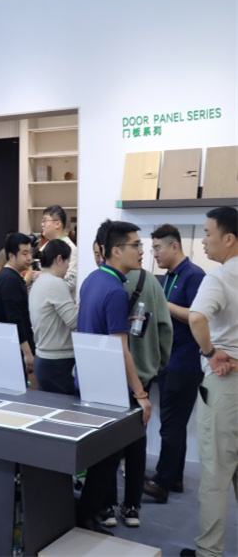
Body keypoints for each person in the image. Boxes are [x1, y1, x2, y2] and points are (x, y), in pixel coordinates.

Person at [75, 220, 152, 534]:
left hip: (88, 381)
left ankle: (89, 515)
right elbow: (122, 350)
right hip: (109, 387)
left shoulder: (92, 280)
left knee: (99, 457)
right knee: (107, 460)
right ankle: (83, 518)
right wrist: (141, 395)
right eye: (136, 245)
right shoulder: (117, 291)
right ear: (116, 251)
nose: (141, 251)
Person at [180, 206, 238, 557]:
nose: (203, 241)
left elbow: (197, 318)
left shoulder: (219, 278)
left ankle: (208, 553)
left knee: (216, 474)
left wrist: (210, 352)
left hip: (225, 383)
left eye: (207, 233)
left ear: (228, 239)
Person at [101, 246, 172, 528]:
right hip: (142, 373)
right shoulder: (151, 281)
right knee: (136, 443)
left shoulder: (101, 281)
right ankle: (131, 507)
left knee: (106, 444)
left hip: (109, 375)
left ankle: (106, 506)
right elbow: (165, 327)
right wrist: (158, 362)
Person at [144, 224, 206, 503]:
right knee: (173, 424)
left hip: (185, 362)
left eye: (158, 248)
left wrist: (162, 304)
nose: (154, 253)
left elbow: (196, 315)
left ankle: (162, 482)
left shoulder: (194, 275)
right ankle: (175, 478)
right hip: (168, 360)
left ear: (175, 246)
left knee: (170, 426)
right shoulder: (167, 277)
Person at [28, 239, 78, 395]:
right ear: (59, 259)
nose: (68, 267)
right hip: (58, 362)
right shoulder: (56, 283)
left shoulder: (39, 281)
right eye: (68, 262)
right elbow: (74, 322)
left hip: (43, 359)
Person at [0, 232, 35, 377]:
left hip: (8, 346)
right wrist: (27, 352)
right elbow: (15, 318)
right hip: (14, 348)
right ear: (11, 256)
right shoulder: (10, 279)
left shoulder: (5, 276)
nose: (29, 257)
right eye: (24, 253)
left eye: (30, 252)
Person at [38, 205, 78, 297]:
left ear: (58, 224)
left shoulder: (71, 249)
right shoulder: (44, 247)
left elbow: (70, 282)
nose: (42, 224)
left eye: (45, 220)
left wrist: (43, 277)